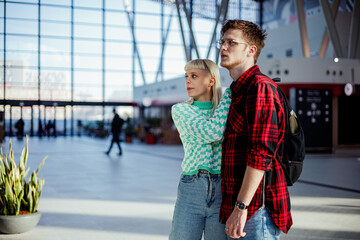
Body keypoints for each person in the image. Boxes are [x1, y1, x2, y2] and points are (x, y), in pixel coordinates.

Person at [218, 20, 292, 239]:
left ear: (251, 50)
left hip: (256, 210)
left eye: (231, 42)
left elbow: (261, 154)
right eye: (221, 42)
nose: (222, 47)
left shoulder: (260, 87)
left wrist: (241, 208)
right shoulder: (237, 90)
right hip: (241, 208)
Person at [169, 59, 232, 240]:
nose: (188, 81)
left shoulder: (224, 109)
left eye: (194, 76)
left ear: (211, 81)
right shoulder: (181, 110)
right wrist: (227, 95)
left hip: (223, 189)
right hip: (192, 187)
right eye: (186, 76)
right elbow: (212, 132)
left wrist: (224, 100)